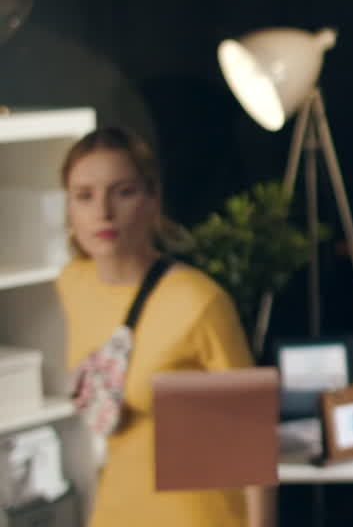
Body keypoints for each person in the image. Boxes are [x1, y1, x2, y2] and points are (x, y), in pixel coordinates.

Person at [56, 127, 273, 527]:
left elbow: (253, 443)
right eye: (84, 196)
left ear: (152, 198)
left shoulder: (198, 302)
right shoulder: (73, 284)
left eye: (122, 192)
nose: (102, 212)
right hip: (113, 514)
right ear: (69, 207)